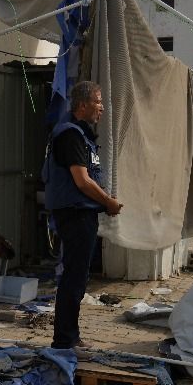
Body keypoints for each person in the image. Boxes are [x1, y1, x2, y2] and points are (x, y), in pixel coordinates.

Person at [43, 81, 122, 352]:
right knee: (74, 278)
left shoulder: (80, 135)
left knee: (77, 277)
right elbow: (82, 181)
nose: (102, 107)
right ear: (82, 105)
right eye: (98, 101)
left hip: (81, 214)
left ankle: (70, 337)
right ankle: (65, 341)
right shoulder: (71, 135)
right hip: (75, 215)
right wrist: (108, 202)